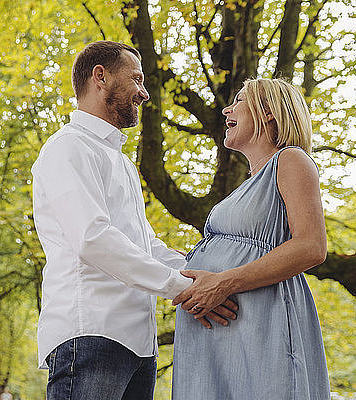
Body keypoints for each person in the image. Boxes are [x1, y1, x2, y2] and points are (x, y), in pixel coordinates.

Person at [31, 41, 238, 400]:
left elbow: (145, 244)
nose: (144, 94)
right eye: (137, 80)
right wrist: (183, 287)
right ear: (101, 77)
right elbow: (93, 238)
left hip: (140, 345)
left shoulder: (122, 163)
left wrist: (203, 273)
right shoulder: (67, 147)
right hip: (91, 333)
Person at [171, 78, 330, 399]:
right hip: (222, 337)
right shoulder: (247, 186)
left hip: (261, 325)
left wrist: (224, 282)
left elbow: (312, 246)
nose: (227, 109)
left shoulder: (290, 160)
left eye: (239, 101)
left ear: (269, 111)